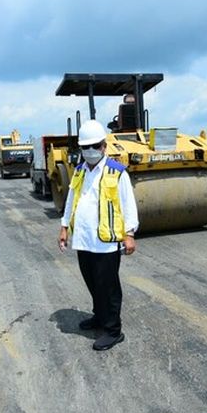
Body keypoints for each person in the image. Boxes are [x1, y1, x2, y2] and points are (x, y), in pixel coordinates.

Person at [58, 119, 139, 351]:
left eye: (95, 146)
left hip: (106, 242)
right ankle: (99, 316)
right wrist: (64, 227)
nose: (90, 151)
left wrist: (129, 233)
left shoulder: (117, 172)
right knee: (92, 282)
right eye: (85, 147)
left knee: (109, 286)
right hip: (83, 240)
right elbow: (72, 199)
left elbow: (128, 205)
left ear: (104, 146)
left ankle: (113, 330)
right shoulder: (80, 171)